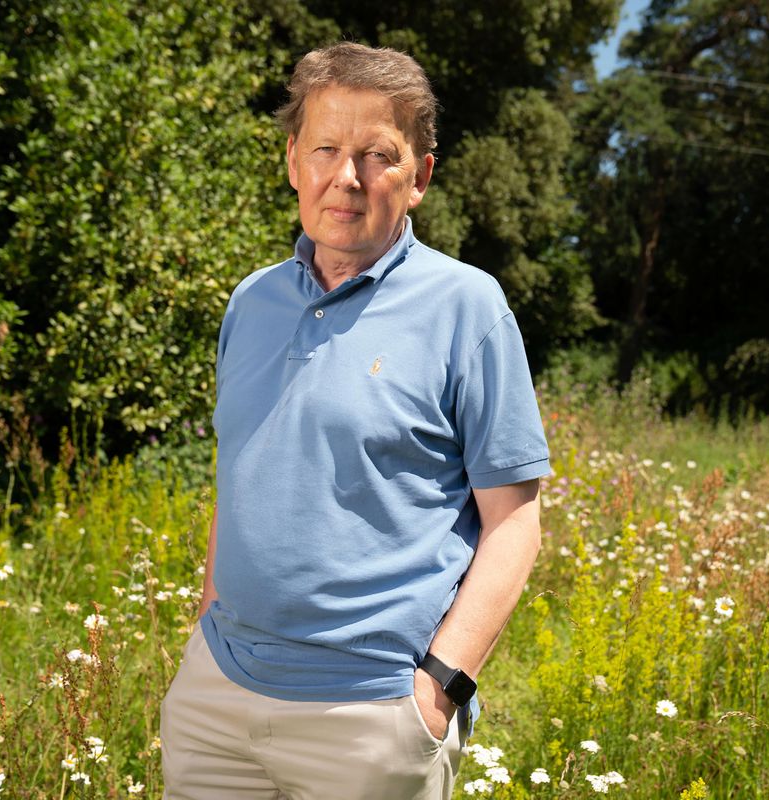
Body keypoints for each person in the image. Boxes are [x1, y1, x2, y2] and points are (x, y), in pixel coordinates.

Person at [160, 41, 550, 800]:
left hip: (372, 717)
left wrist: (436, 692)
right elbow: (239, 478)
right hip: (216, 699)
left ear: (420, 178)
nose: (346, 177)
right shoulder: (251, 302)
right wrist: (199, 639)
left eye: (378, 155)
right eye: (326, 149)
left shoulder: (467, 308)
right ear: (292, 161)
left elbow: (515, 523)